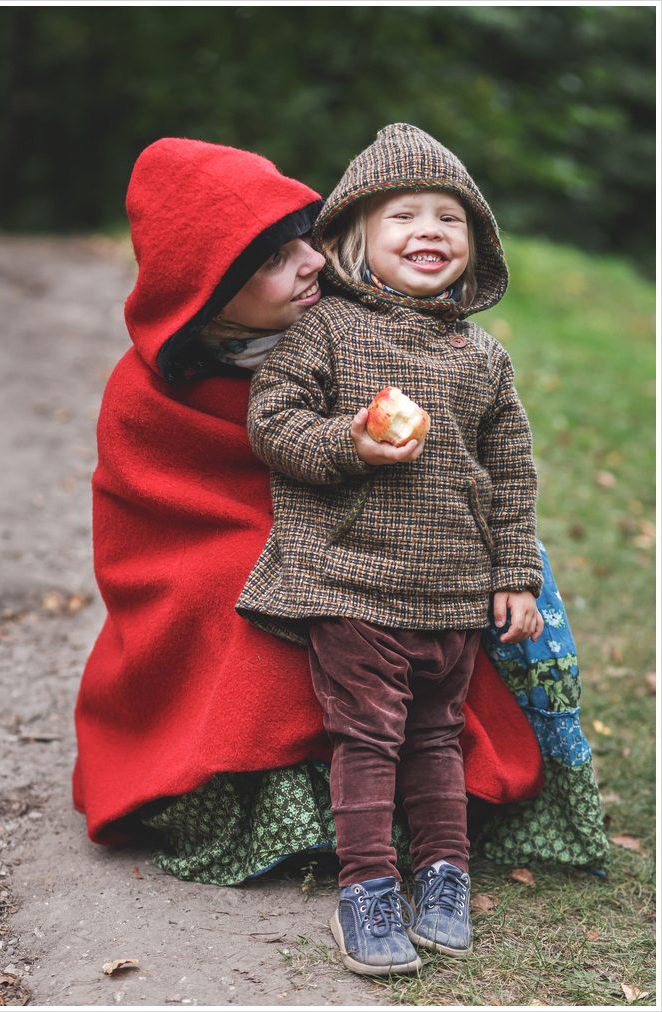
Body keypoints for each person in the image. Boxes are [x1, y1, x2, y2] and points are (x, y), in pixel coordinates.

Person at [73, 136, 607, 909]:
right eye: (272, 262)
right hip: (251, 543)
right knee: (241, 597)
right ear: (209, 294)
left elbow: (488, 449)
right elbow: (151, 522)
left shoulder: (349, 325)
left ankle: (434, 811)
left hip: (378, 533)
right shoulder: (154, 392)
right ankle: (274, 802)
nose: (309, 263)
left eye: (303, 239)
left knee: (430, 599)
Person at [235, 123, 598, 976]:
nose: (429, 231)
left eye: (450, 218)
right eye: (403, 215)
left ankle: (443, 871)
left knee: (436, 736)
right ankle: (365, 886)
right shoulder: (323, 336)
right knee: (365, 736)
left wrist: (513, 575)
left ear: (475, 249)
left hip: (452, 588)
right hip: (351, 579)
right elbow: (272, 421)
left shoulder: (483, 359)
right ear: (353, 240)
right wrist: (349, 444)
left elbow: (510, 474)